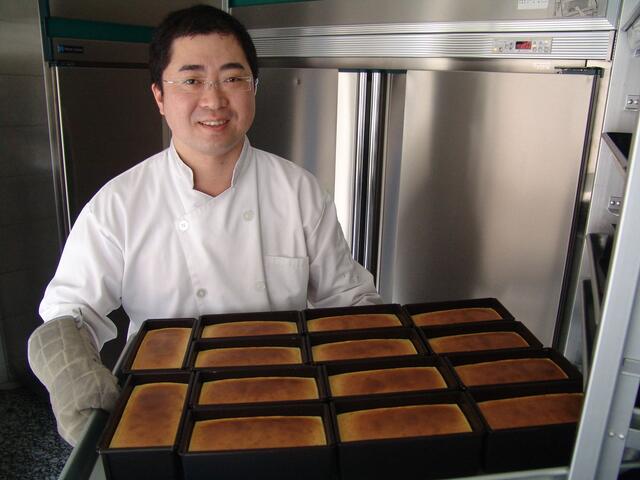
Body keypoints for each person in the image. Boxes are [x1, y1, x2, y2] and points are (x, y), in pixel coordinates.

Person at [27, 4, 380, 446]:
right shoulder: (118, 204)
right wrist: (73, 378)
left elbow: (347, 299)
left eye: (233, 79)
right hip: (162, 415)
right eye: (192, 80)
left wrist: (377, 362)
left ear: (254, 87)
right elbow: (69, 314)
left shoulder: (298, 191)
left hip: (285, 405)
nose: (214, 100)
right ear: (159, 96)